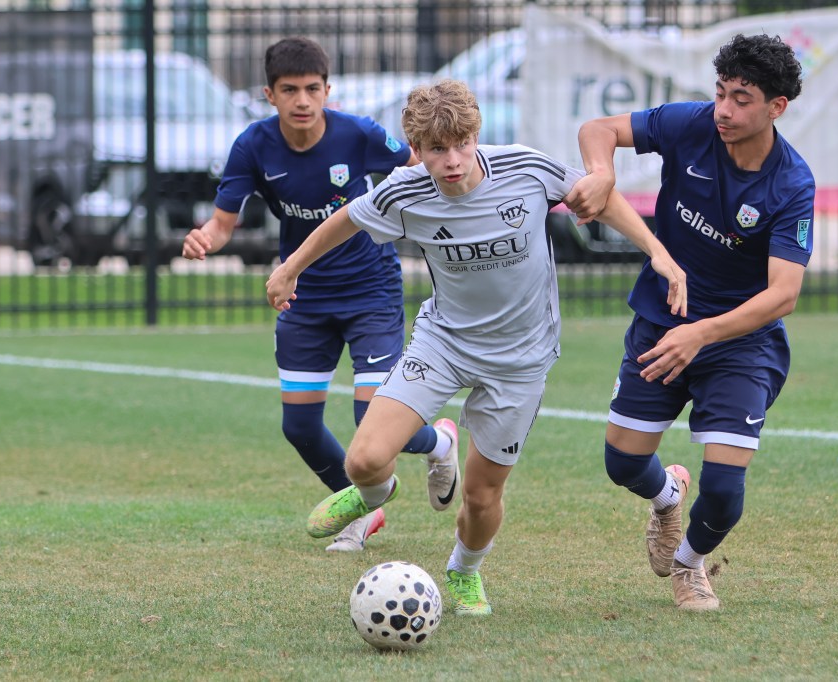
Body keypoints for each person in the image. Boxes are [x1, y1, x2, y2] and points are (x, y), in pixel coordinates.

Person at [266, 79, 686, 615]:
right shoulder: (403, 192)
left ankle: (464, 570)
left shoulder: (526, 169)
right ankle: (374, 496)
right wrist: (290, 268)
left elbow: (601, 202)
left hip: (520, 360)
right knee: (364, 460)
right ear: (416, 149)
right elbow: (344, 221)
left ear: (476, 135)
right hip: (443, 343)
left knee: (482, 498)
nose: (453, 161)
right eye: (437, 149)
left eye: (462, 144)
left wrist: (657, 253)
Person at [566, 34, 814, 611]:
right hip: (662, 321)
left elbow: (783, 295)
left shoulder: (791, 184)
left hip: (739, 344)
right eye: (721, 92)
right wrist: (601, 172)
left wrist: (701, 334)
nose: (724, 109)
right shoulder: (692, 124)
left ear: (777, 107)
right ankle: (667, 496)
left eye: (742, 99)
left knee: (724, 490)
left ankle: (690, 564)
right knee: (623, 463)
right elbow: (598, 129)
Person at [182, 37, 460, 552]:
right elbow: (222, 224)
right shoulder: (253, 146)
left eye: (312, 89)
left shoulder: (358, 135)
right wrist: (205, 237)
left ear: (328, 90)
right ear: (269, 94)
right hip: (304, 297)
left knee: (371, 421)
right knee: (300, 426)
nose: (303, 100)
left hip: (370, 292)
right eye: (290, 90)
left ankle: (440, 442)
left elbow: (418, 168)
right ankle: (360, 510)